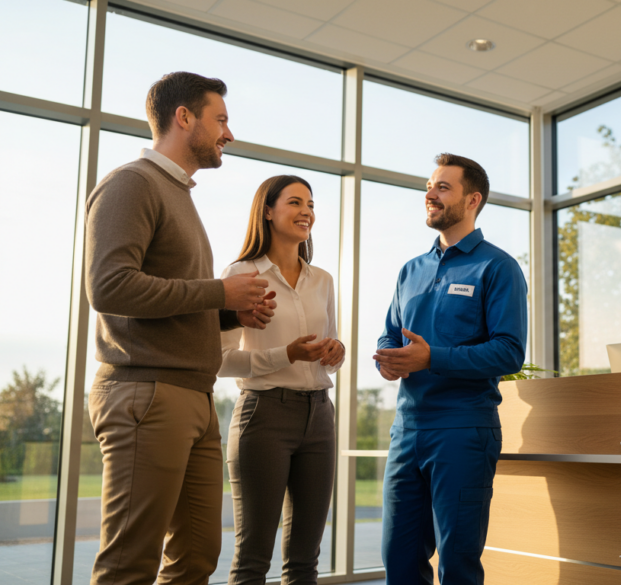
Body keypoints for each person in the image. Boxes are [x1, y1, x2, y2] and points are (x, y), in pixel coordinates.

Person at [84, 71, 276, 585]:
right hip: (145, 392)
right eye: (221, 120)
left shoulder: (180, 196)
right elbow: (110, 288)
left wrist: (233, 312)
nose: (228, 134)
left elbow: (170, 298)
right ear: (183, 118)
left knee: (196, 557)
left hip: (194, 395)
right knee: (129, 563)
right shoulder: (131, 184)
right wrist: (219, 293)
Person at [373, 153, 528, 584]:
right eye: (429, 186)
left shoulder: (498, 267)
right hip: (407, 431)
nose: (430, 195)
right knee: (399, 561)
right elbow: (390, 333)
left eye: (443, 187)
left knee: (458, 564)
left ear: (473, 199)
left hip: (463, 430)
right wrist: (389, 358)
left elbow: (508, 352)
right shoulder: (410, 270)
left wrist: (431, 357)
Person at [218, 175, 344, 585]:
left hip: (320, 417)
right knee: (254, 559)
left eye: (310, 204)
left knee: (305, 560)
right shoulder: (241, 274)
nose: (306, 211)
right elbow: (219, 361)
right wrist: (285, 355)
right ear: (267, 211)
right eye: (295, 202)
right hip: (264, 416)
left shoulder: (322, 280)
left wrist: (335, 353)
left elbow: (329, 352)